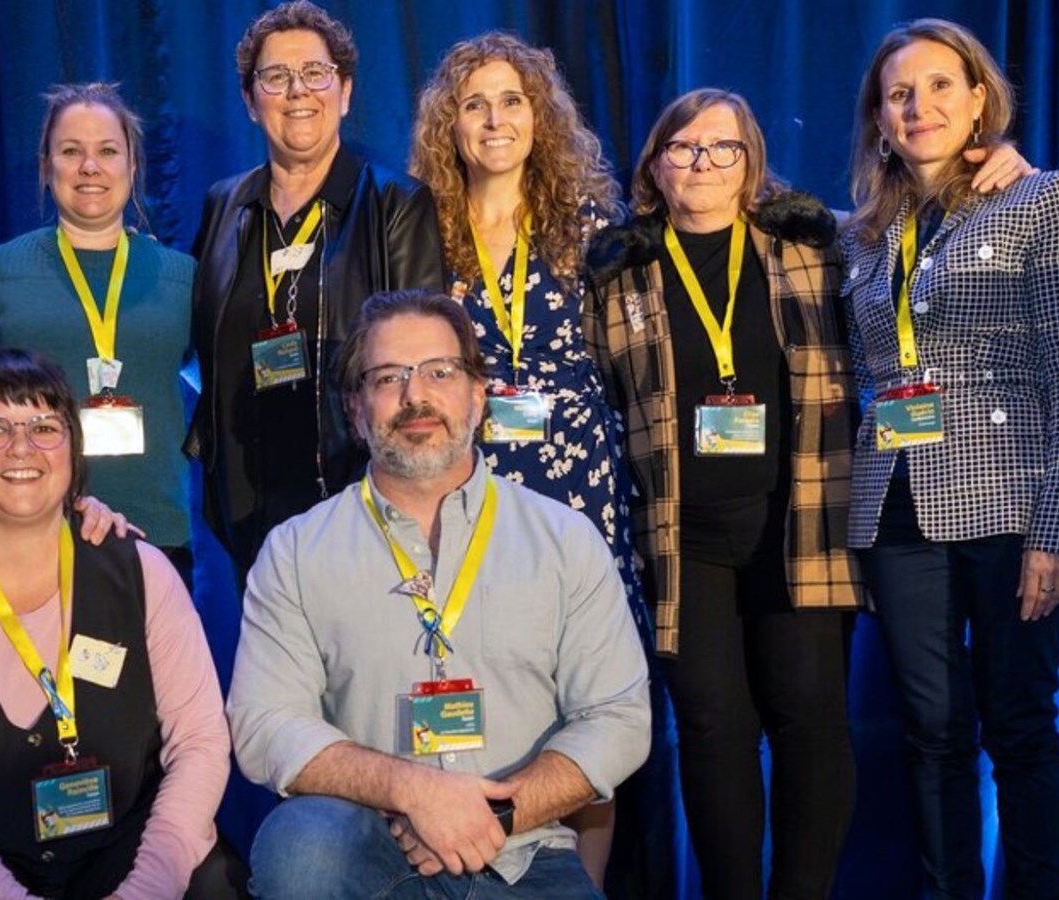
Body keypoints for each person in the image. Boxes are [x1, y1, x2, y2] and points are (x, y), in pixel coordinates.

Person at [227, 290, 649, 898]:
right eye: (388, 377)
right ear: (355, 408)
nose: (414, 396)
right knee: (301, 846)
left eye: (438, 372)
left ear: (479, 396)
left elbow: (618, 718)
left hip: (522, 852)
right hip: (369, 848)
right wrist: (413, 791)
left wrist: (490, 816)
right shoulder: (295, 551)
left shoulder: (564, 539)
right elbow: (265, 724)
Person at [583, 88, 864, 900]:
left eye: (723, 148)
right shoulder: (618, 272)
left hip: (797, 525)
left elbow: (905, 219)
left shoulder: (815, 251)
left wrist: (999, 163)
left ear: (752, 168)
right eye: (684, 148)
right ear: (655, 168)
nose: (702, 163)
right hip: (680, 537)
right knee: (712, 730)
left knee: (810, 724)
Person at [842, 18, 1059, 897]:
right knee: (931, 733)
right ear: (879, 118)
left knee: (1019, 727)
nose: (920, 107)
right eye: (900, 93)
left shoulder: (1046, 198)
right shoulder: (863, 236)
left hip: (1016, 506)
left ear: (980, 96)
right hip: (898, 509)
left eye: (941, 86)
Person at [0, 348, 237, 899]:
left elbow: (201, 741)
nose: (21, 448)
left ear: (72, 450)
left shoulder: (142, 571)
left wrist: (149, 888)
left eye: (44, 427)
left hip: (133, 861)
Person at [406, 34, 640, 883]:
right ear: (450, 125)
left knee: (582, 694)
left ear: (539, 116)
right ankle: (465, 866)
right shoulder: (424, 228)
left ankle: (581, 884)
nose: (495, 120)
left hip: (578, 478)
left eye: (511, 101)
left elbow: (714, 201)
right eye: (475, 105)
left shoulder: (591, 224)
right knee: (472, 672)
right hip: (465, 476)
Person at [190, 0, 444, 577]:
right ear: (251, 102)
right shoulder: (225, 205)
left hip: (358, 486)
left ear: (345, 92)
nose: (297, 92)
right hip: (247, 495)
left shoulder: (395, 203)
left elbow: (421, 355)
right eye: (275, 77)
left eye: (315, 74)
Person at [0, 83, 196, 579]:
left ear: (133, 167)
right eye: (71, 152)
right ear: (46, 167)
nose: (90, 167)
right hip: (30, 530)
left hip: (156, 532)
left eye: (108, 151)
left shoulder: (182, 277)